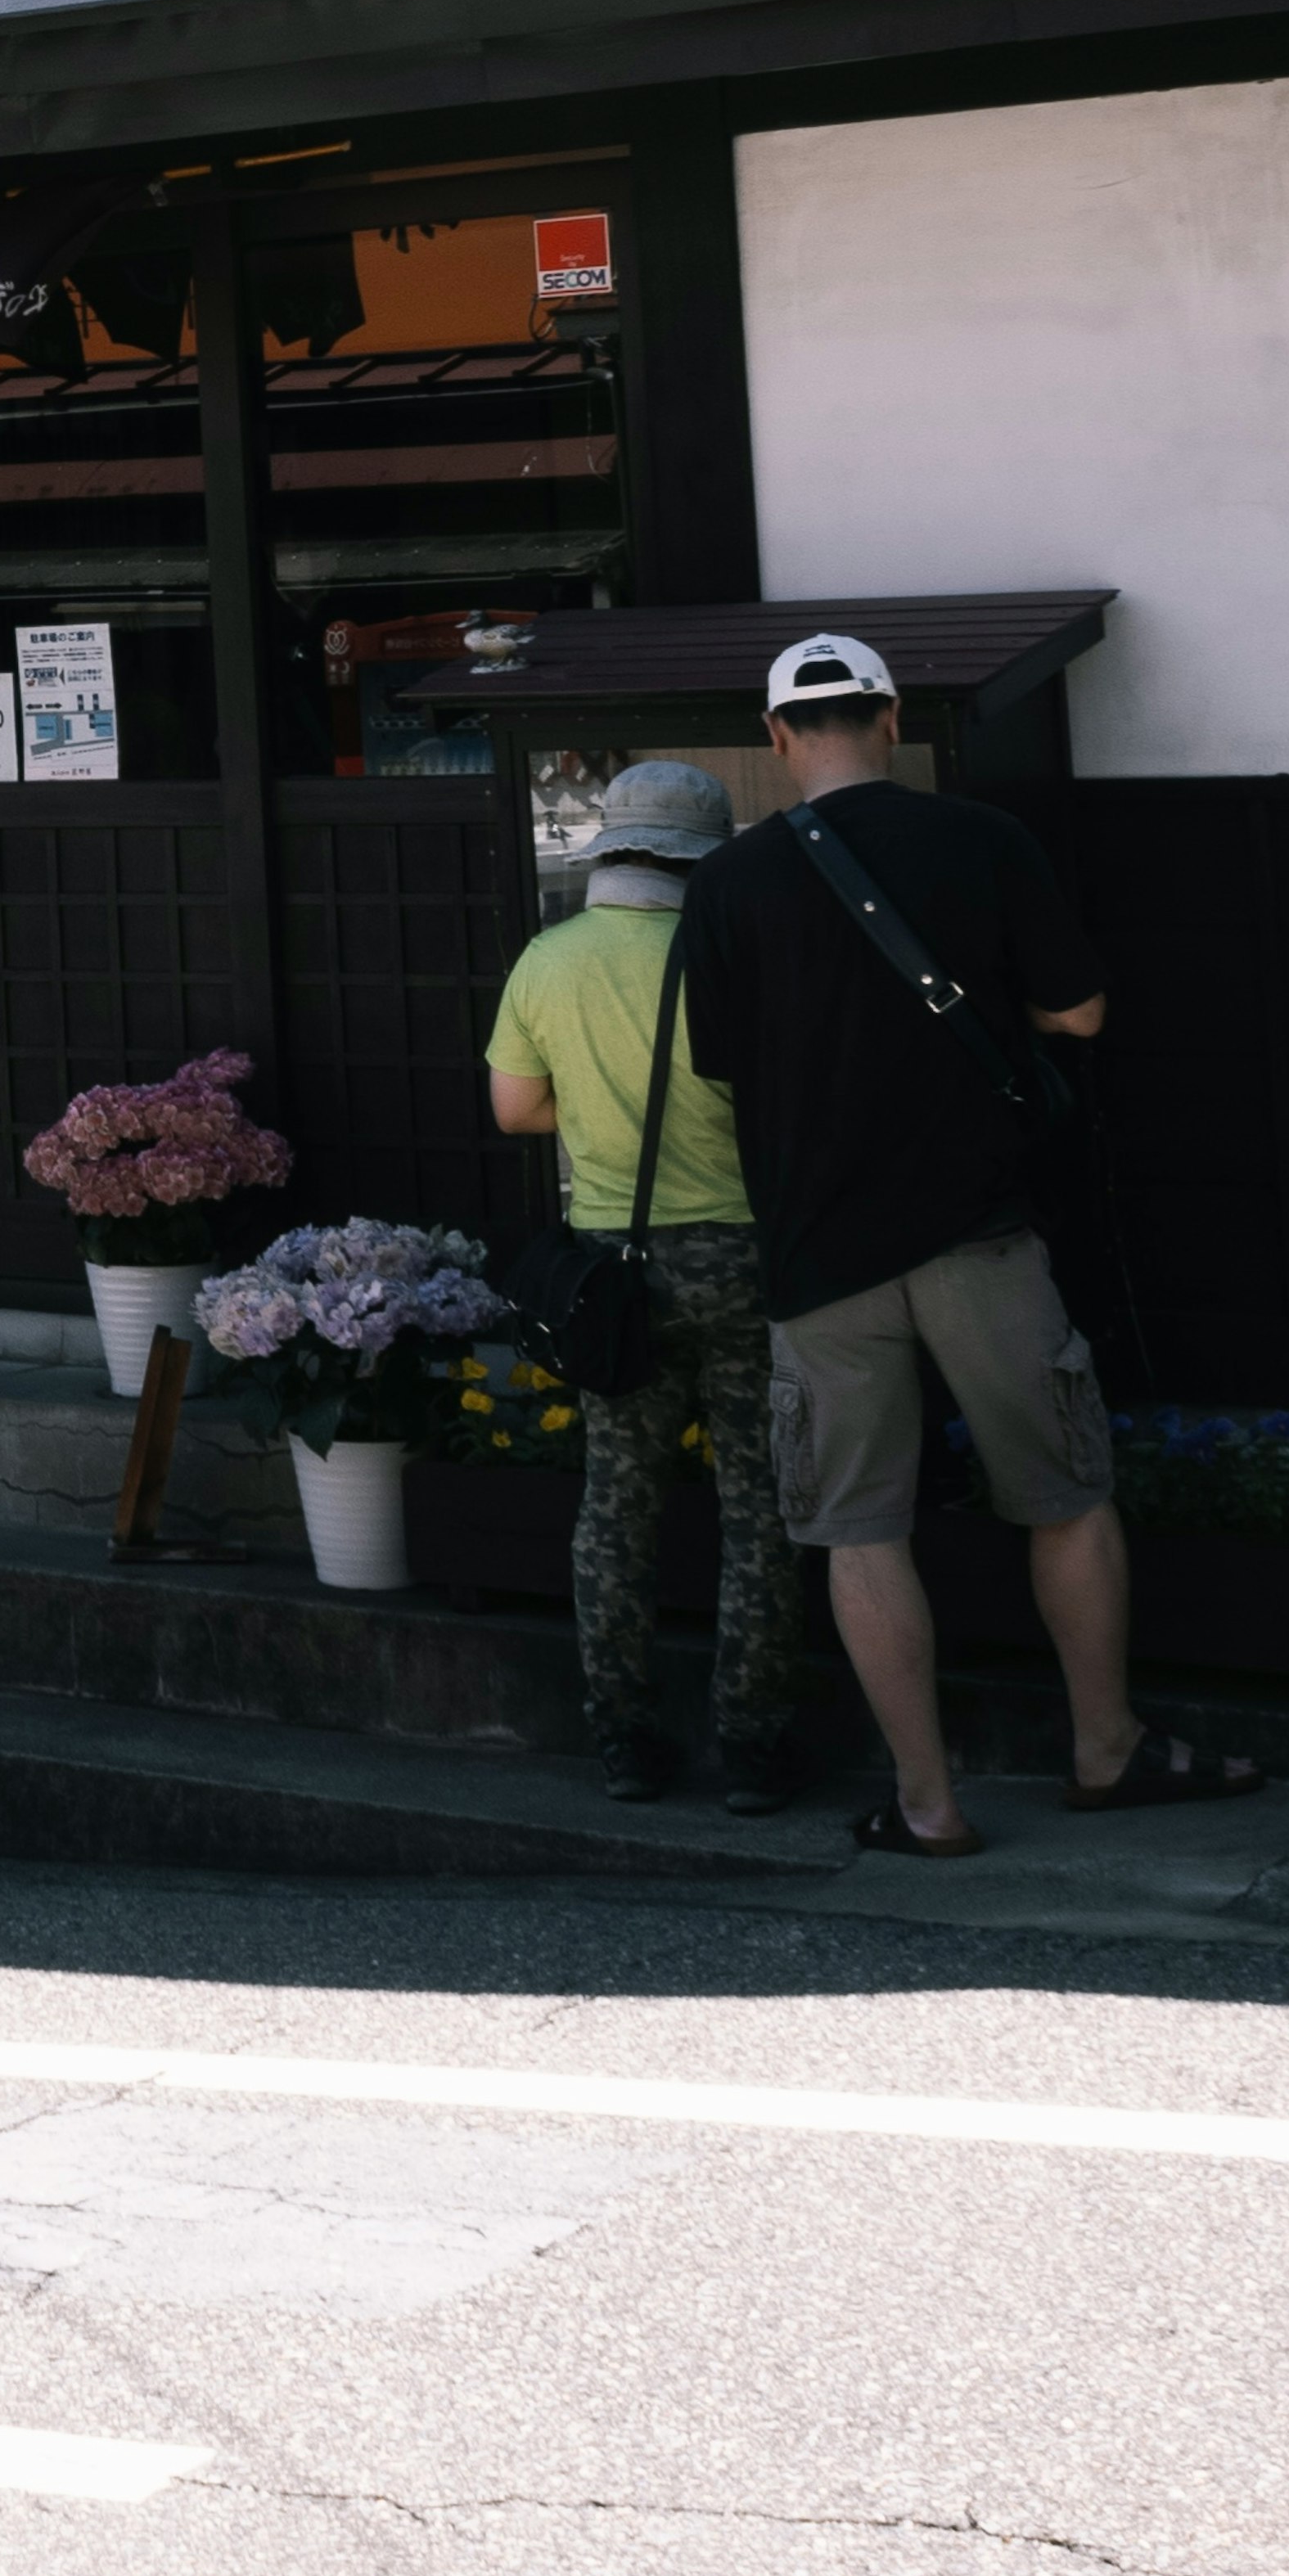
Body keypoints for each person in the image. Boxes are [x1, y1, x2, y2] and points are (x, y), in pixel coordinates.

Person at [675, 631, 1260, 1858]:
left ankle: (929, 1799)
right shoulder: (987, 841)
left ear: (780, 737)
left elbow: (721, 1061)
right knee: (1065, 1495)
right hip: (981, 1232)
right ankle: (1105, 1748)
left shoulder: (728, 884)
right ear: (890, 719)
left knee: (859, 1527)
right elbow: (1080, 1010)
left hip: (819, 1250)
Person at [485, 756, 800, 1815]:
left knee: (617, 1504)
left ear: (612, 847)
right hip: (745, 1253)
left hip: (616, 1266)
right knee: (763, 1505)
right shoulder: (743, 953)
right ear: (703, 858)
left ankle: (625, 1736)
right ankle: (752, 1746)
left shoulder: (548, 959)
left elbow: (517, 1111)